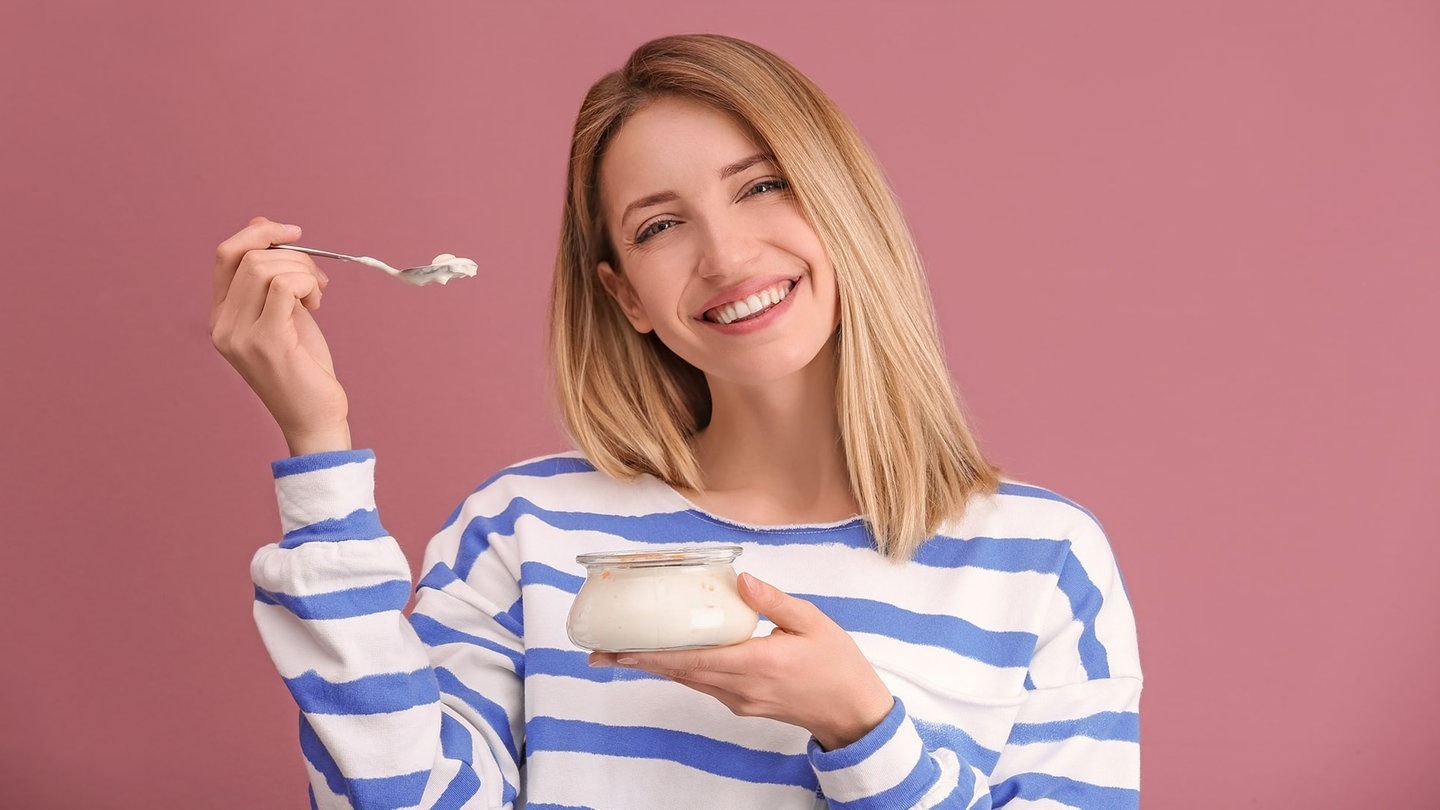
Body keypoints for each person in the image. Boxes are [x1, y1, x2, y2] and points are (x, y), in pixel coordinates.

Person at [210, 33, 1141, 810]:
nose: (728, 254)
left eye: (762, 185)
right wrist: (319, 450)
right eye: (660, 226)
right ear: (627, 298)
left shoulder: (1043, 561)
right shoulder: (526, 529)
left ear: (843, 205)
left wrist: (862, 728)